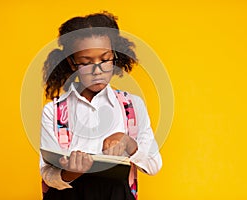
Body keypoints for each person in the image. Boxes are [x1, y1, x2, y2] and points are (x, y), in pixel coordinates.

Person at [40, 11, 162, 200]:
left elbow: (154, 165)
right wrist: (71, 172)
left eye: (105, 59)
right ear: (73, 64)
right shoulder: (53, 111)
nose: (98, 70)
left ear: (115, 55)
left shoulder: (132, 106)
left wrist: (129, 143)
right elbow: (48, 175)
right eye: (86, 63)